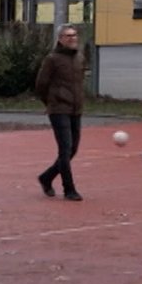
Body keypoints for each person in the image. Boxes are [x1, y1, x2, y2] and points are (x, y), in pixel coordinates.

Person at [34, 25, 86, 201]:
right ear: (60, 39)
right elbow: (41, 84)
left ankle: (46, 177)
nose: (72, 38)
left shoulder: (79, 58)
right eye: (68, 35)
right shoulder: (52, 59)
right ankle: (69, 189)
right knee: (65, 149)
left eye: (74, 35)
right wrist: (51, 102)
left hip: (76, 109)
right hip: (58, 109)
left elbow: (79, 83)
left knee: (73, 149)